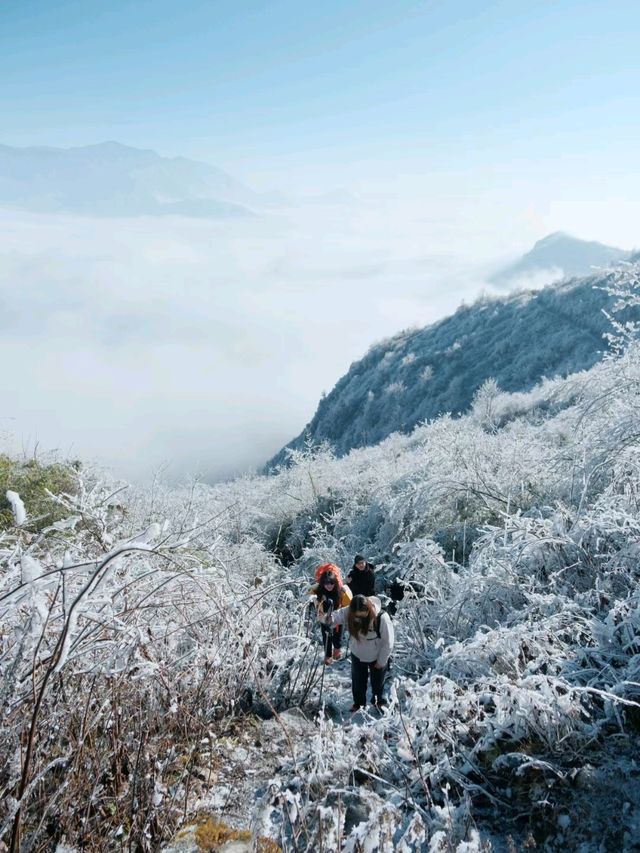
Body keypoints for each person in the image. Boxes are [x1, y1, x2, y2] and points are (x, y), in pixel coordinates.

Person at [327, 594, 394, 712]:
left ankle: (378, 703)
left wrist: (381, 661)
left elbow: (388, 642)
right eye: (356, 616)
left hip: (376, 656)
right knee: (358, 681)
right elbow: (340, 614)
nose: (358, 619)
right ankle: (358, 704)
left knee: (377, 682)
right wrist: (330, 618)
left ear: (368, 609)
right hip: (357, 654)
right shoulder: (352, 609)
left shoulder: (382, 618)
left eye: (361, 616)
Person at [311, 568, 352, 665]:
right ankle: (328, 656)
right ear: (322, 583)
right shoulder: (318, 592)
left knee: (338, 637)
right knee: (326, 637)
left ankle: (337, 650)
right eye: (326, 583)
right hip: (324, 618)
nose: (329, 586)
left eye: (331, 583)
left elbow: (347, 605)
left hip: (338, 618)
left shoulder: (340, 592)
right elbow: (313, 601)